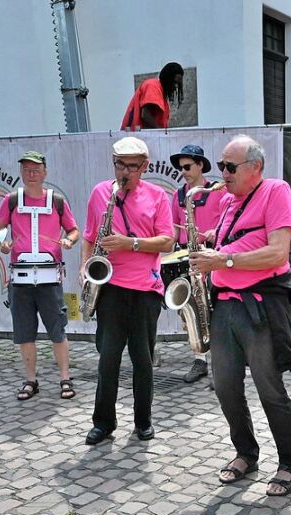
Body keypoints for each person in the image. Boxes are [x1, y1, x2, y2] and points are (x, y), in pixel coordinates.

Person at [190, 135, 291, 497]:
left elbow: (276, 253)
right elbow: (238, 242)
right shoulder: (227, 201)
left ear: (255, 167)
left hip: (258, 306)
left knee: (270, 388)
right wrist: (212, 242)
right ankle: (246, 453)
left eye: (229, 167)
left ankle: (290, 464)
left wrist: (222, 259)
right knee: (225, 387)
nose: (222, 173)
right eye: (221, 165)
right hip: (225, 304)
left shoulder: (276, 191)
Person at [82, 136, 175, 445]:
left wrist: (129, 243)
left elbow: (167, 241)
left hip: (145, 289)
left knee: (142, 360)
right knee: (107, 359)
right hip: (109, 288)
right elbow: (89, 236)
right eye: (119, 165)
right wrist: (85, 269)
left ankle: (143, 421)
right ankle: (103, 423)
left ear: (145, 167)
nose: (124, 172)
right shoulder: (100, 193)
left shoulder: (158, 197)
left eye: (132, 167)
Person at [0, 150, 80, 401]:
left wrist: (68, 241)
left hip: (49, 277)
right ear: (21, 172)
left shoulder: (56, 201)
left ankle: (65, 377)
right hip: (20, 279)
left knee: (57, 330)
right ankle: (31, 380)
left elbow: (73, 230)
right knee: (24, 332)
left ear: (45, 172)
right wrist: (3, 243)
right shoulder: (11, 200)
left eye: (36, 169)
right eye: (26, 169)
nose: (31, 174)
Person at [169, 143, 226, 384]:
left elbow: (229, 220)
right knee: (191, 311)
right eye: (180, 167)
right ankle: (200, 359)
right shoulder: (177, 195)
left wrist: (216, 231)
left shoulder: (217, 191)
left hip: (211, 255)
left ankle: (221, 366)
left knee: (215, 310)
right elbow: (172, 228)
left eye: (187, 166)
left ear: (201, 165)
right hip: (185, 256)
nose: (183, 171)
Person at [121, 62, 184, 131]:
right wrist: (161, 132)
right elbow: (145, 115)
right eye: (174, 82)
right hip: (134, 137)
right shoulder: (153, 86)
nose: (176, 86)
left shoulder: (161, 93)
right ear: (167, 79)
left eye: (178, 84)